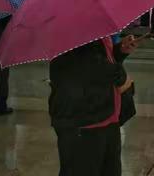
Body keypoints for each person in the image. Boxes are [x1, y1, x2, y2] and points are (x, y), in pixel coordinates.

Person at [49, 34, 140, 176]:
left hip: (106, 117)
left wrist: (118, 51)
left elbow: (99, 57)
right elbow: (84, 62)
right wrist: (120, 77)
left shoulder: (93, 27)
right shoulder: (71, 29)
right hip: (84, 122)